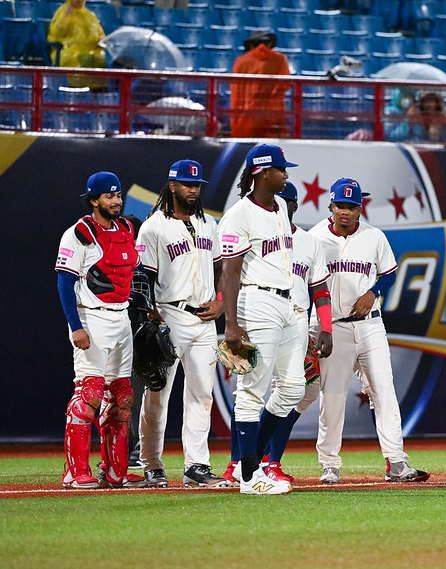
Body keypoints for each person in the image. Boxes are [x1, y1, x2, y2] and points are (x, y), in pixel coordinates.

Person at [219, 144, 332, 496]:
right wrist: (232, 324)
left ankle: (245, 463)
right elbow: (230, 272)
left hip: (288, 304)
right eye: (282, 170)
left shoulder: (282, 206)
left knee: (293, 388)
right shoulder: (238, 215)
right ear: (263, 173)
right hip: (258, 300)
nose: (287, 175)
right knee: (252, 389)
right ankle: (251, 477)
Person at [308, 178, 429, 484]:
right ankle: (330, 465)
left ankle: (396, 462)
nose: (345, 212)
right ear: (330, 206)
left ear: (360, 208)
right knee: (332, 397)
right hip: (333, 328)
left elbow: (389, 273)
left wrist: (373, 292)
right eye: (340, 206)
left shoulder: (374, 236)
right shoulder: (315, 238)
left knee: (384, 390)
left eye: (352, 206)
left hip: (371, 325)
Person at [135, 160, 228, 488]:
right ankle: (150, 463)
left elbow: (220, 268)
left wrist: (220, 300)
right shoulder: (154, 227)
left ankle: (197, 465)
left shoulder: (209, 224)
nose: (193, 189)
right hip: (169, 315)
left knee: (203, 393)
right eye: (187, 184)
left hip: (204, 318)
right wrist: (150, 313)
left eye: (197, 185)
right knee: (158, 394)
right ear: (172, 186)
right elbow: (143, 277)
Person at [56, 171, 146, 489]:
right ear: (94, 200)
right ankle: (75, 472)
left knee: (122, 396)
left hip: (121, 319)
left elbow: (128, 277)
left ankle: (114, 471)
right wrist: (75, 326)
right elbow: (64, 283)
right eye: (109, 196)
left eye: (118, 195)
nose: (116, 200)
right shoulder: (78, 234)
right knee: (90, 395)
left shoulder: (126, 229)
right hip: (91, 319)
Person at [230, 31, 291, 138]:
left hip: (246, 117)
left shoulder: (241, 61)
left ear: (251, 45)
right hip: (272, 118)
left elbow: (235, 92)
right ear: (269, 44)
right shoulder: (280, 59)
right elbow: (285, 84)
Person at [47, 0, 106, 89]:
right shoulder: (63, 12)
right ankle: (78, 87)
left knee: (102, 58)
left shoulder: (89, 15)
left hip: (92, 50)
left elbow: (100, 33)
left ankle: (97, 89)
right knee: (85, 59)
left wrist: (101, 39)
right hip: (69, 51)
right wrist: (65, 17)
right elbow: (56, 34)